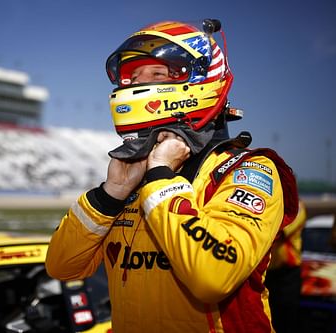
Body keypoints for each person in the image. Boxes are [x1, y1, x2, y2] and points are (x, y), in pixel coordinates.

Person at [45, 19, 299, 332]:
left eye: (156, 73)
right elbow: (61, 266)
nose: (137, 85)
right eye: (132, 77)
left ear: (201, 81)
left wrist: (163, 180)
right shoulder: (132, 177)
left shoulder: (245, 170)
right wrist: (109, 194)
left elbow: (213, 276)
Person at [265, 200, 307, 333]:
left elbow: (279, 233)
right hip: (268, 274)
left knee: (286, 320)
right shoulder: (273, 205)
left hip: (288, 274)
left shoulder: (296, 207)